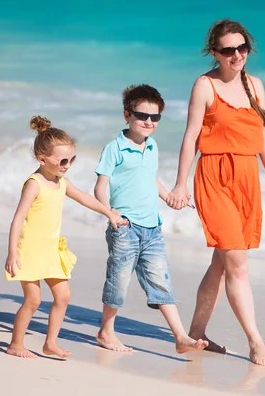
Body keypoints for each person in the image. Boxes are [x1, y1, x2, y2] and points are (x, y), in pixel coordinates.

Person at [167, 19, 265, 366]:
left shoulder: (255, 86)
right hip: (215, 175)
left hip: (248, 176)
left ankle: (195, 333)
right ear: (215, 53)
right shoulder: (204, 86)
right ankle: (255, 342)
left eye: (242, 48)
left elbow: (264, 137)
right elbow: (190, 136)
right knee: (238, 262)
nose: (237, 55)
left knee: (222, 262)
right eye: (229, 50)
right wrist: (180, 182)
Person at [94, 84, 209, 354]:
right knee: (118, 280)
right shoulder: (115, 148)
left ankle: (180, 337)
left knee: (161, 281)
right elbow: (101, 184)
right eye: (142, 116)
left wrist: (168, 196)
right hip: (124, 227)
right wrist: (108, 212)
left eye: (154, 117)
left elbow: (149, 178)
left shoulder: (152, 146)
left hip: (152, 227)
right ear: (127, 115)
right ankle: (106, 331)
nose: (148, 122)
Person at [4, 115, 123, 359]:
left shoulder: (62, 182)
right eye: (64, 160)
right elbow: (17, 219)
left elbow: (85, 198)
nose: (68, 164)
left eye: (72, 159)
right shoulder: (34, 184)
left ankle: (50, 343)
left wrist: (108, 212)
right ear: (42, 159)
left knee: (63, 296)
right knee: (33, 300)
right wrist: (12, 253)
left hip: (50, 250)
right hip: (28, 251)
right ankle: (16, 344)